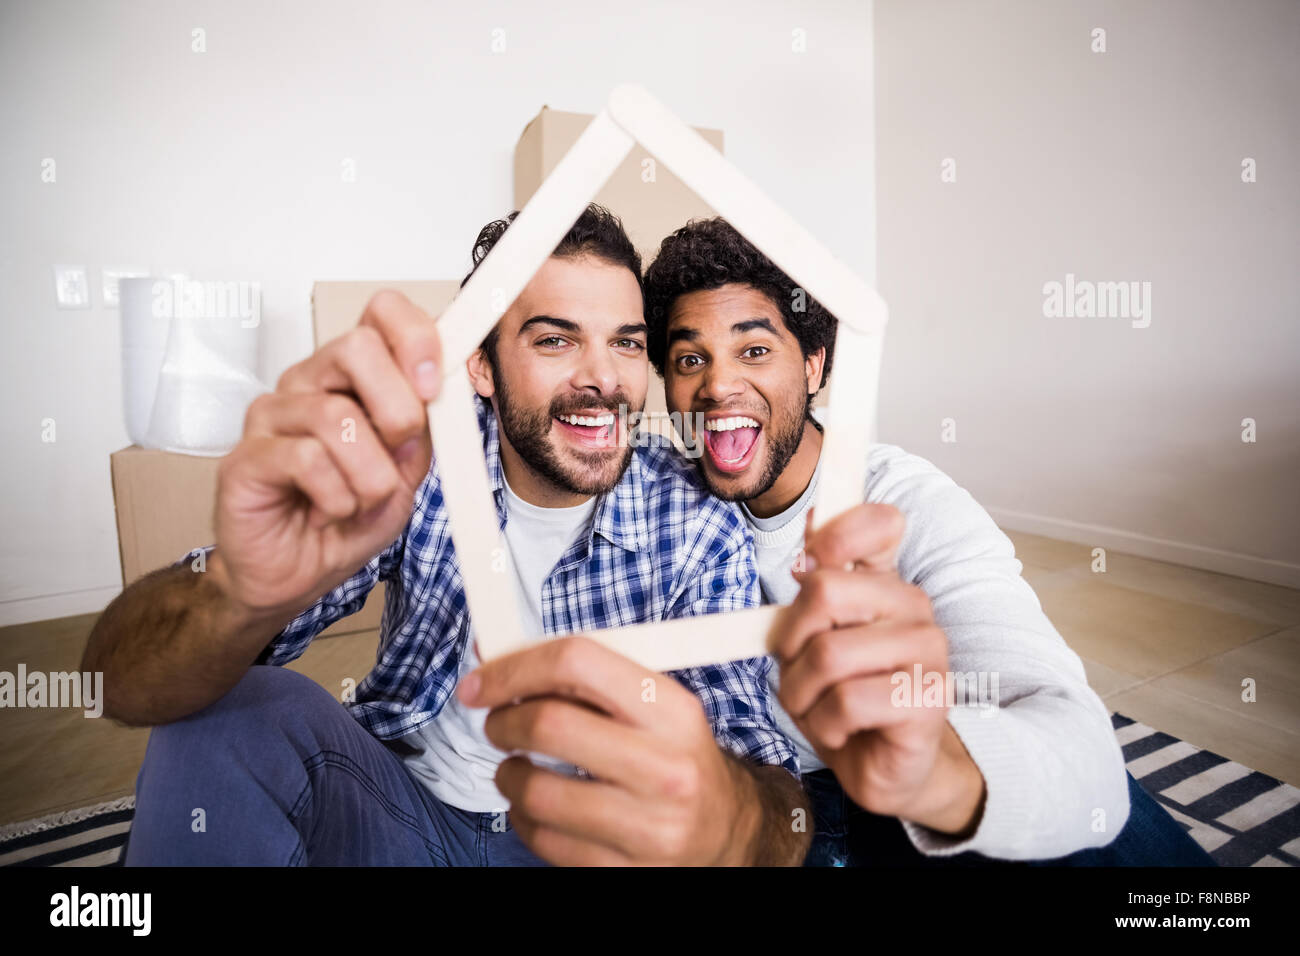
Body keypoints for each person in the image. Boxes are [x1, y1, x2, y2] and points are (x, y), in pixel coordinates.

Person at [84, 204, 810, 866]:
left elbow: (772, 786)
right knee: (227, 715)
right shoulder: (418, 463)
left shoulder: (693, 517)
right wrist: (241, 592)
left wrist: (735, 817)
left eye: (624, 343)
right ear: (480, 365)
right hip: (403, 810)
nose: (603, 378)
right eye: (555, 339)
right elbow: (116, 683)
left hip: (578, 845)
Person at [642, 217, 1216, 866]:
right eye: (691, 358)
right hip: (777, 808)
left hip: (910, 785)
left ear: (813, 363)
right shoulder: (661, 510)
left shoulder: (905, 500)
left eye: (754, 350)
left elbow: (1079, 754)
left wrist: (936, 772)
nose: (717, 385)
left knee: (1064, 829)